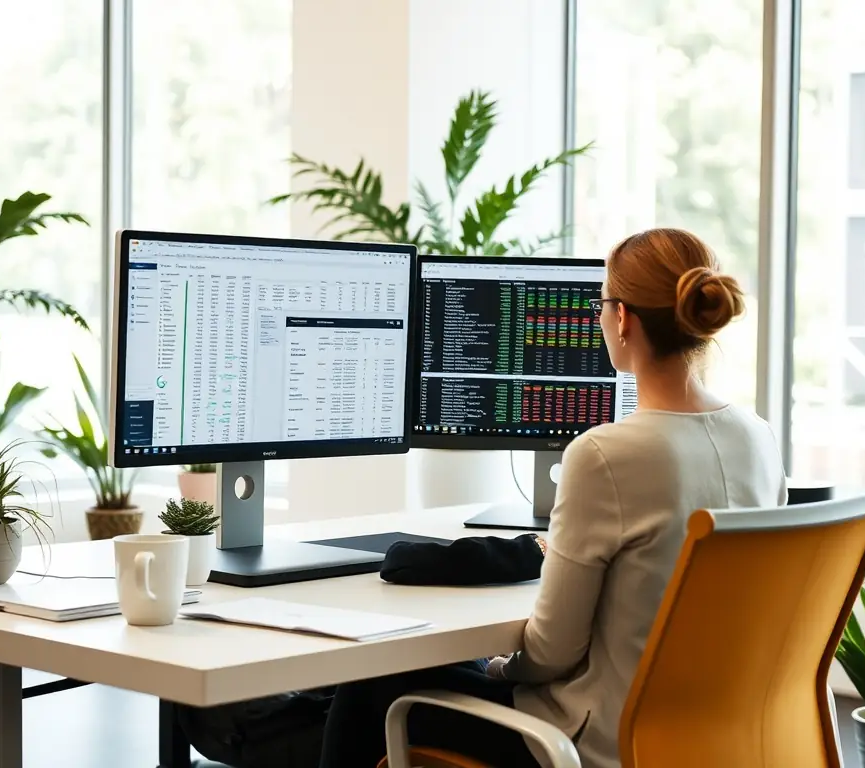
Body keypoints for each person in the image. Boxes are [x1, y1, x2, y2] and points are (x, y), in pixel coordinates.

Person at [318, 228, 788, 768]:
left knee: (368, 684)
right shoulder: (758, 435)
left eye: (602, 304)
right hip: (710, 735)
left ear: (623, 319)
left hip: (589, 744)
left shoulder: (605, 454)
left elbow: (551, 652)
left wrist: (494, 666)